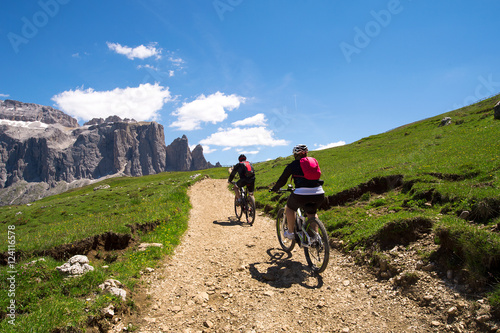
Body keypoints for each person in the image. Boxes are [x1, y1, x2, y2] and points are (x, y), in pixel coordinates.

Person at [271, 144, 324, 240]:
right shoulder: (313, 162)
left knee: (290, 208)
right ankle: (315, 236)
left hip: (301, 193)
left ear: (295, 155)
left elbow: (282, 180)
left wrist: (275, 188)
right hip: (319, 193)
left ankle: (291, 233)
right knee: (311, 212)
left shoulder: (293, 164)